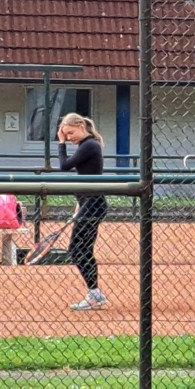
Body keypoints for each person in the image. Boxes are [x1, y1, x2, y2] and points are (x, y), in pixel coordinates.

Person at [57, 113, 109, 311]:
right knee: (81, 249)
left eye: (70, 133)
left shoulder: (89, 145)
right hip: (88, 204)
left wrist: (61, 143)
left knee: (78, 249)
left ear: (80, 126)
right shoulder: (86, 145)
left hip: (93, 205)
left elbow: (64, 166)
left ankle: (95, 293)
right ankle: (95, 293)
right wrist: (79, 206)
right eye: (66, 135)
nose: (69, 137)